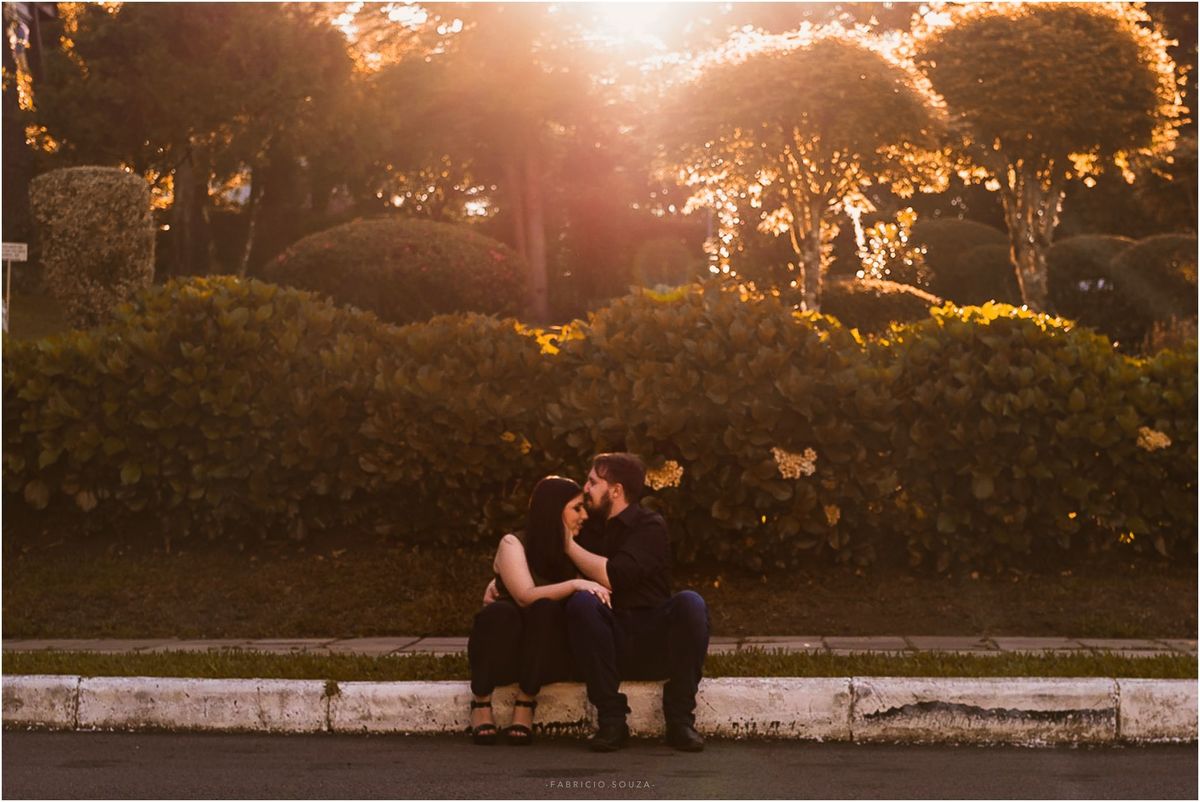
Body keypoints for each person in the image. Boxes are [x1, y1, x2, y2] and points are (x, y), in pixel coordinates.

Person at [564, 452, 710, 753]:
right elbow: (540, 558)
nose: (585, 488)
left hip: (651, 637)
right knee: (581, 603)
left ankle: (680, 720)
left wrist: (567, 546)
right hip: (606, 640)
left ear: (616, 490)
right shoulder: (586, 525)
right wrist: (501, 581)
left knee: (691, 603)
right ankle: (612, 721)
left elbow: (615, 576)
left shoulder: (649, 526)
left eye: (593, 482)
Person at [467, 476, 611, 746]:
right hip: (506, 650)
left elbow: (611, 581)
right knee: (500, 613)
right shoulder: (513, 543)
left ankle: (526, 701)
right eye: (576, 508)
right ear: (553, 511)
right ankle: (481, 701)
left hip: (545, 658)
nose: (584, 516)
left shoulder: (578, 547)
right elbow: (524, 597)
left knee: (546, 610)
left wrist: (569, 547)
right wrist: (575, 584)